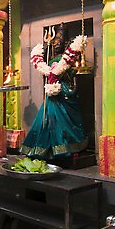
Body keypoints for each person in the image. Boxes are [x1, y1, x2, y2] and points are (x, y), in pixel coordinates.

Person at [20, 24, 88, 160]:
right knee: (48, 120)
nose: (57, 45)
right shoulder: (50, 61)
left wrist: (71, 91)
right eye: (55, 43)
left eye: (59, 43)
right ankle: (46, 150)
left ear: (65, 44)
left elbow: (73, 80)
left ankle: (65, 148)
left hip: (63, 94)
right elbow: (45, 76)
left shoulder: (69, 60)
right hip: (51, 96)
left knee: (63, 122)